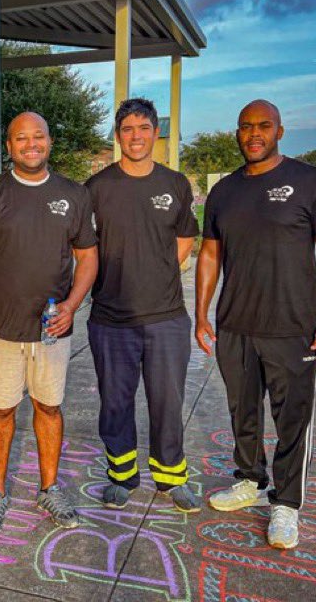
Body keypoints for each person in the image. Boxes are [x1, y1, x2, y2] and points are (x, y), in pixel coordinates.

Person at [195, 100, 316, 550]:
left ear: (280, 131)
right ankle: (249, 480)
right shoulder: (223, 192)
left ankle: (286, 503)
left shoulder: (311, 182)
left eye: (263, 126)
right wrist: (202, 314)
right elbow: (210, 255)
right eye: (245, 127)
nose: (254, 134)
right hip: (235, 325)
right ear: (237, 132)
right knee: (242, 411)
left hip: (293, 328)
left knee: (292, 420)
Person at [0, 111, 98, 538]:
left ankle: (49, 489)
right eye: (21, 138)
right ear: (9, 146)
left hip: (52, 329)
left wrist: (72, 306)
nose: (31, 144)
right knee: (1, 410)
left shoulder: (74, 194)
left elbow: (88, 257)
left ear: (50, 141)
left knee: (49, 407)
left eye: (38, 136)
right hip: (0, 329)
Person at [85, 98, 201, 513]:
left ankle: (171, 478)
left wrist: (158, 271)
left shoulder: (175, 183)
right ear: (118, 136)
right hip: (110, 317)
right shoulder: (97, 188)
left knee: (167, 402)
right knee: (116, 402)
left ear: (155, 133)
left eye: (144, 128)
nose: (136, 136)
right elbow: (83, 246)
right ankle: (122, 476)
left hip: (166, 316)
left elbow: (185, 238)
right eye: (127, 129)